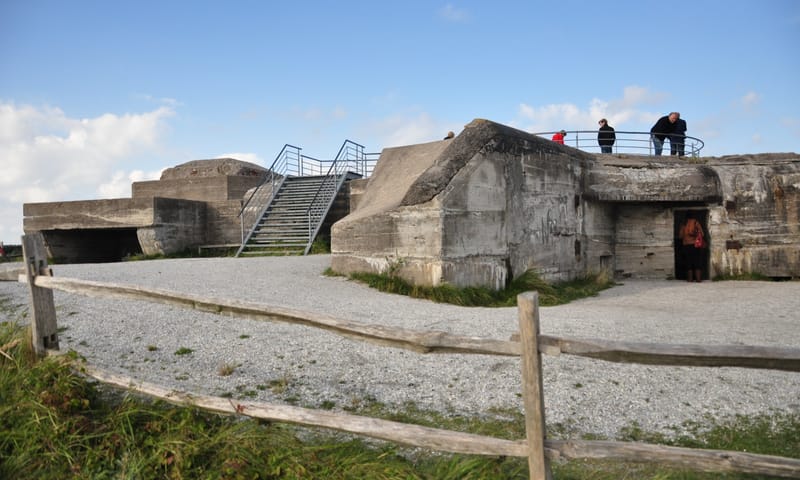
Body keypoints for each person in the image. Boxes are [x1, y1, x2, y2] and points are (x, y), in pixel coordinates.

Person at [678, 212, 706, 282]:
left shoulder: (683, 224)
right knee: (697, 262)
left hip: (686, 245)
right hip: (696, 245)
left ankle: (690, 279)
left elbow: (680, 236)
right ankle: (698, 279)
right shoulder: (696, 222)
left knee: (688, 262)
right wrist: (695, 234)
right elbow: (702, 234)